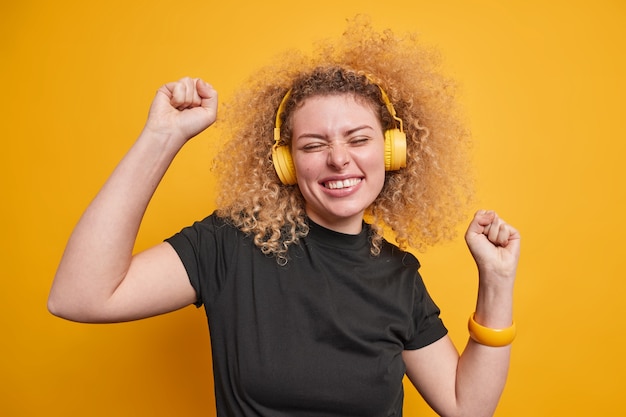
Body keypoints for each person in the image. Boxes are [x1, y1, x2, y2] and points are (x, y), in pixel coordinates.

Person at [48, 18, 520, 417]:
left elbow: (467, 407)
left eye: (358, 139)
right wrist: (161, 137)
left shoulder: (398, 275)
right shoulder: (228, 244)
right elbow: (79, 297)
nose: (339, 159)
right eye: (313, 145)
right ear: (286, 163)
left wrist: (496, 282)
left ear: (392, 151)